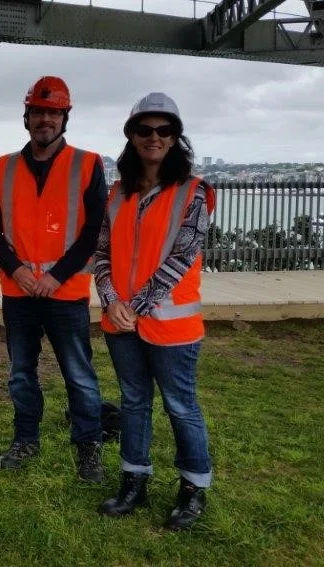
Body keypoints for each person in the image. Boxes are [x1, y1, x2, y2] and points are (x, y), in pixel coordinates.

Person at [93, 92, 215, 530]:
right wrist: (111, 299)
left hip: (171, 325)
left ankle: (193, 486)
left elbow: (182, 258)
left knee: (181, 405)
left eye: (164, 130)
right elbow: (102, 252)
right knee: (133, 402)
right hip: (120, 320)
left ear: (175, 137)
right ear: (131, 135)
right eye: (145, 129)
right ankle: (134, 479)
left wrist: (135, 307)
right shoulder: (117, 193)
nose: (154, 137)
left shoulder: (193, 193)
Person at [0, 76, 109, 482]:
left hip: (66, 291)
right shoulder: (3, 168)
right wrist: (19, 271)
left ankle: (88, 445)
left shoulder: (88, 164)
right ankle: (26, 439)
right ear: (26, 118)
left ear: (64, 118)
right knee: (21, 372)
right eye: (38, 112)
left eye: (53, 113)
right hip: (19, 292)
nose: (45, 120)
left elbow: (95, 230)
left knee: (78, 373)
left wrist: (56, 276)